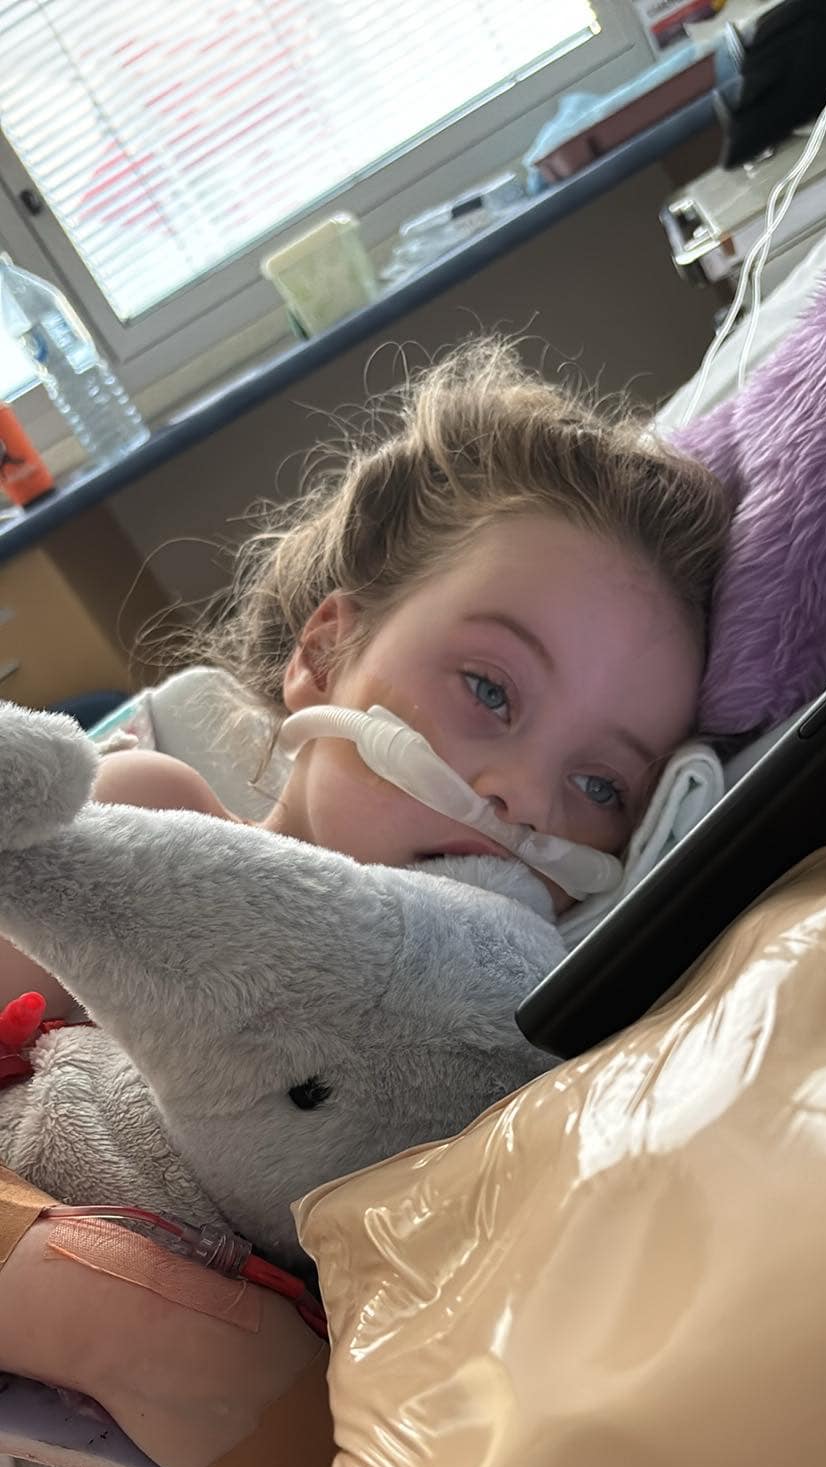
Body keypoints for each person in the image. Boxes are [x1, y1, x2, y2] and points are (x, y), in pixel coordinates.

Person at [0, 339, 730, 1018]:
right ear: (323, 656)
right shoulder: (144, 833)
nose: (529, 803)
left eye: (601, 786)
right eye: (488, 690)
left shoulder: (521, 1028)